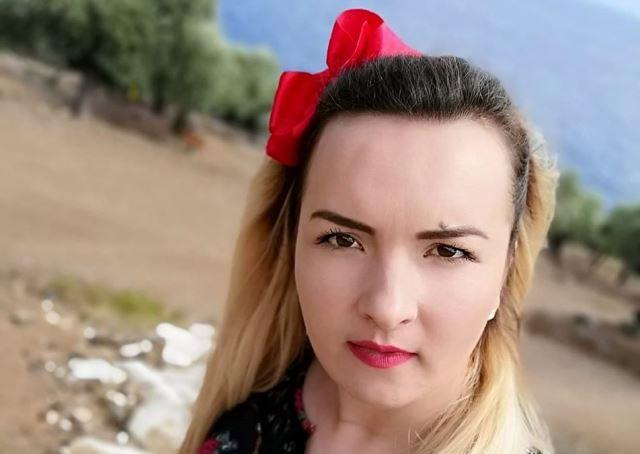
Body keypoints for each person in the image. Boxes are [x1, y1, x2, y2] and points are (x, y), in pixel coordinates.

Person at [180, 8, 557, 454]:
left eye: (448, 251)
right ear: (291, 240)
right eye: (343, 239)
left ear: (505, 271)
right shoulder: (243, 422)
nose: (386, 308)